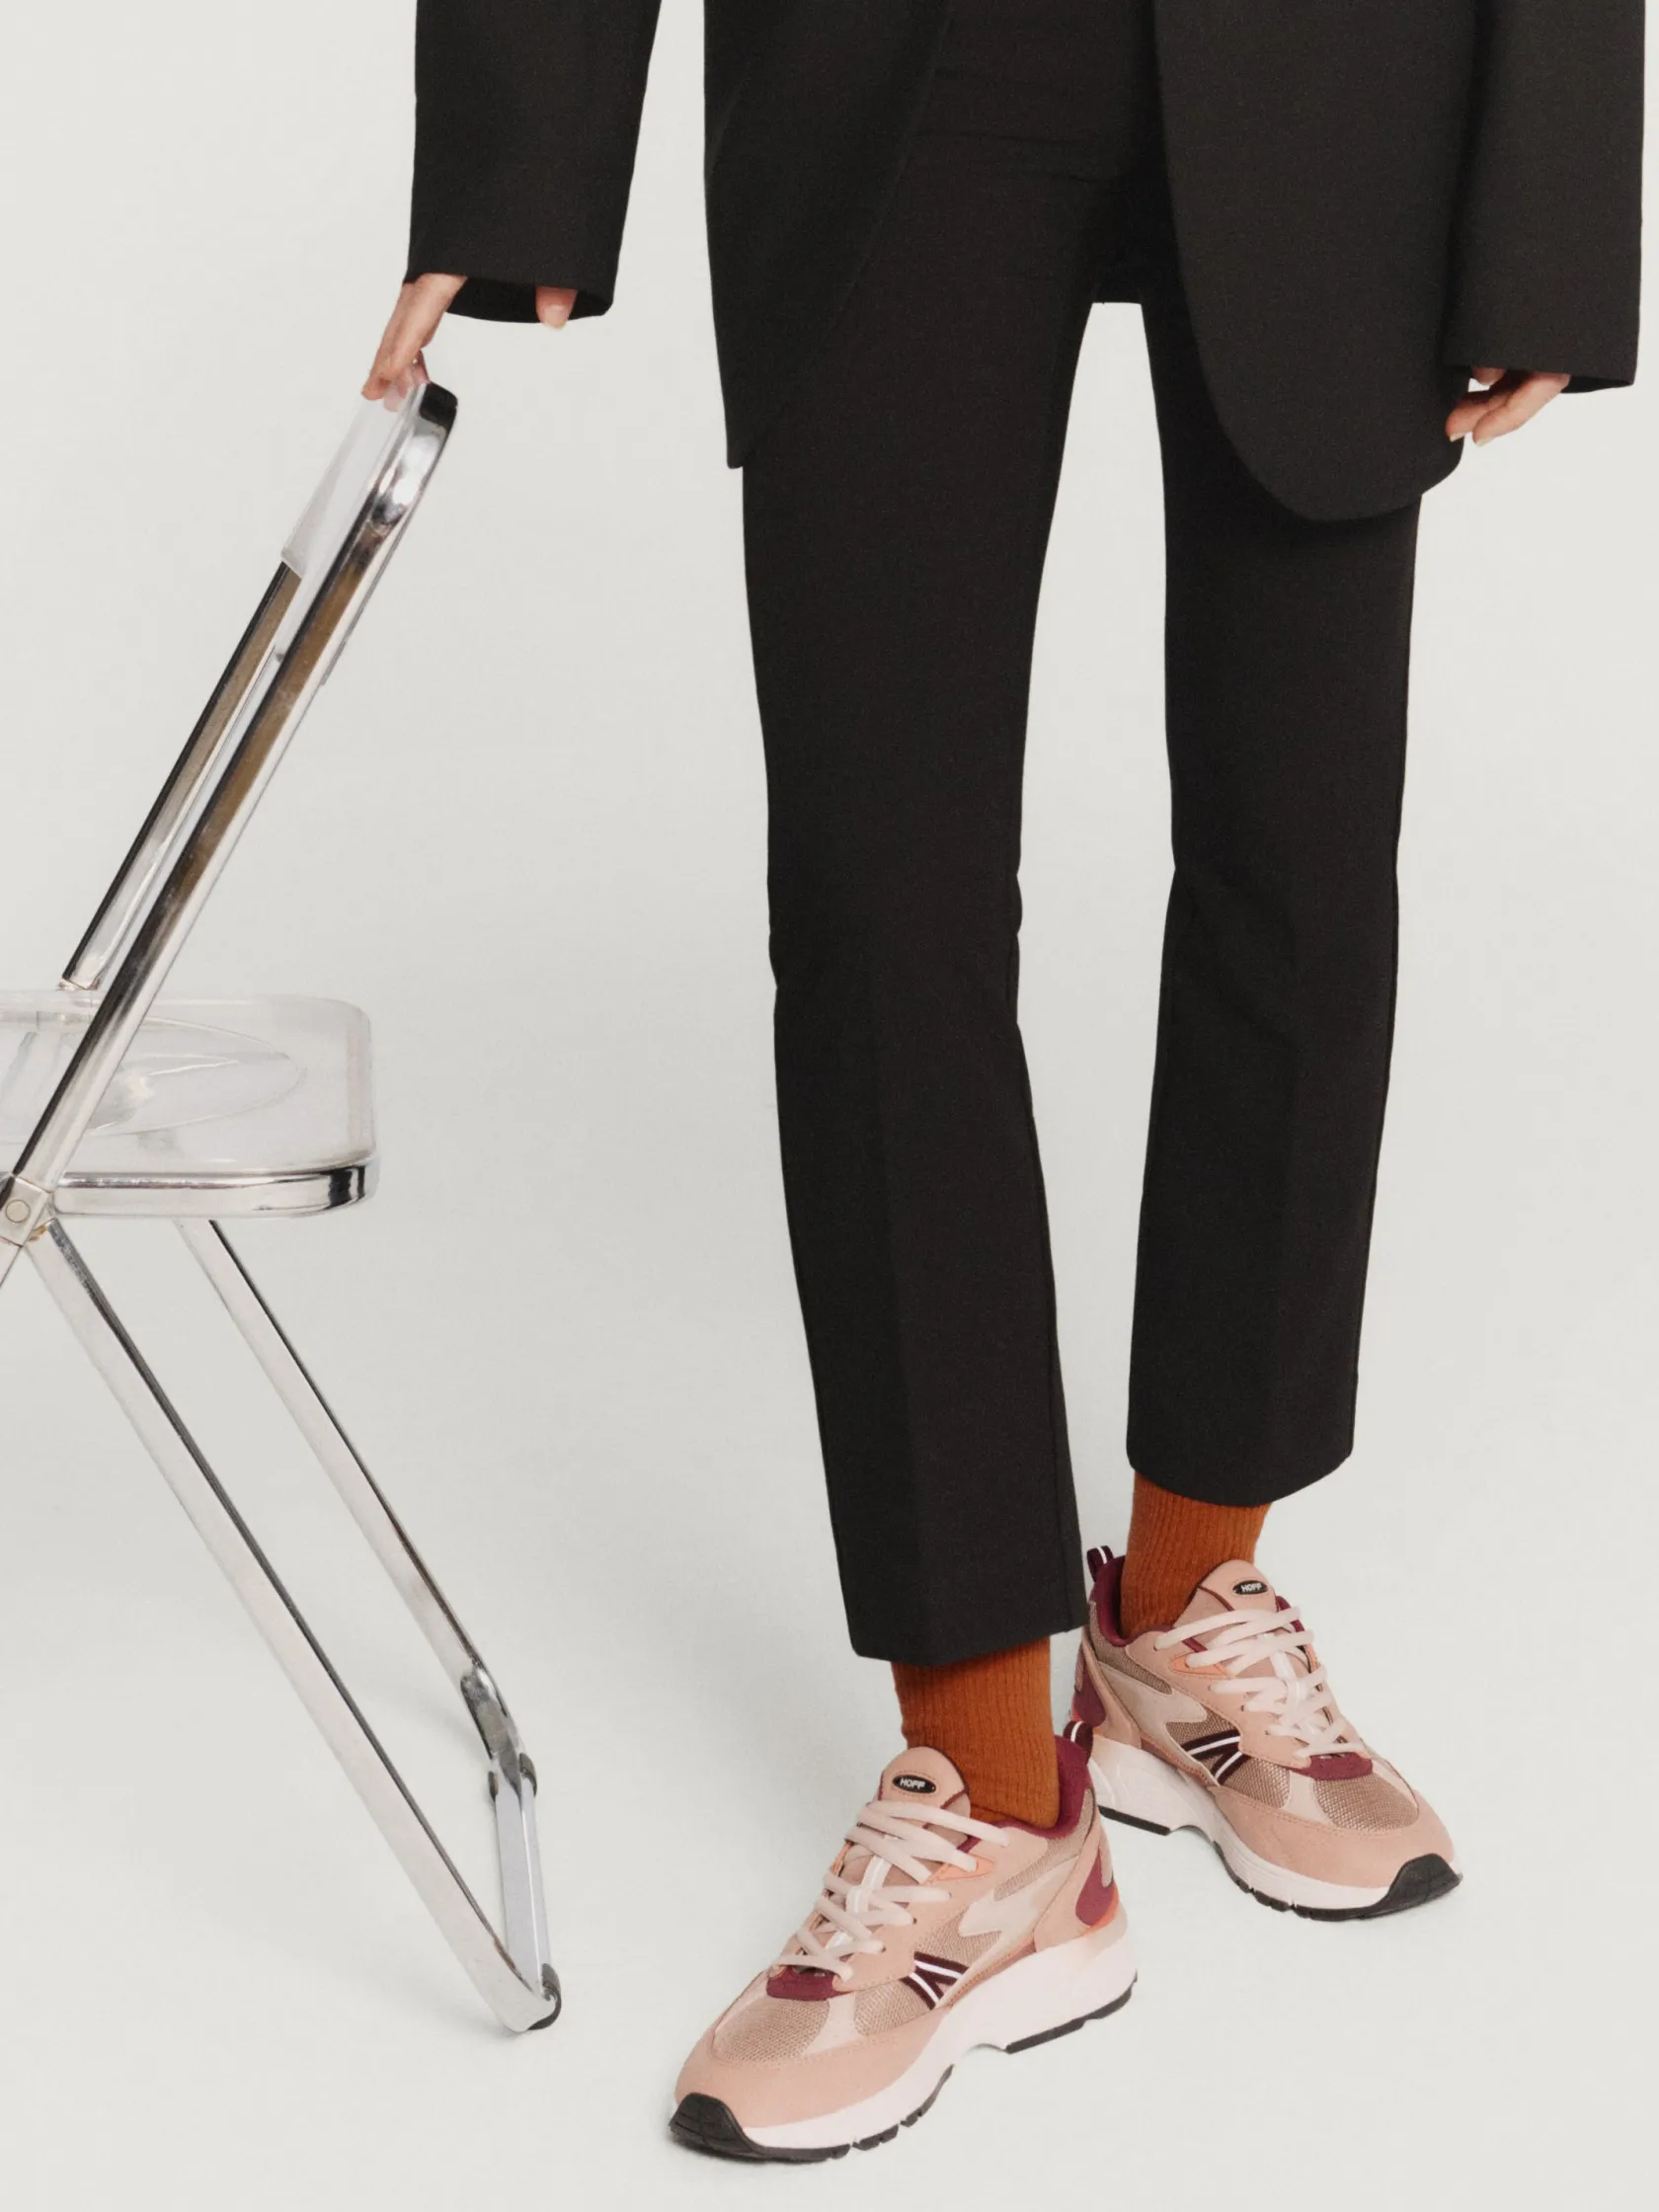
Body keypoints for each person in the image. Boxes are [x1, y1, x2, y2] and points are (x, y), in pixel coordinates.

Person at [367, 0, 1642, 2161]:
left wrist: (1555, 206)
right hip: (901, 58)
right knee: (885, 904)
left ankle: (1187, 1601)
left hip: (1346, 69)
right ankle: (991, 1791)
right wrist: (521, 141)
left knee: (1304, 854)